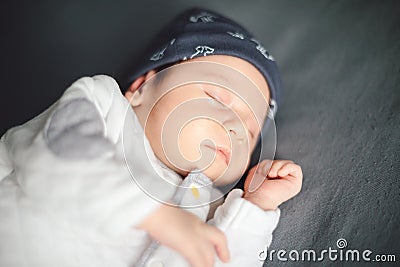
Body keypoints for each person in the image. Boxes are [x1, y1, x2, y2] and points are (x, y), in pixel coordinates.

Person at [0, 7, 302, 267]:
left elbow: (223, 258)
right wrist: (157, 216)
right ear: (142, 87)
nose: (236, 129)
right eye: (218, 98)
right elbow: (57, 156)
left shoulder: (211, 206)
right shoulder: (103, 105)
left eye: (251, 132)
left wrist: (256, 208)